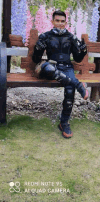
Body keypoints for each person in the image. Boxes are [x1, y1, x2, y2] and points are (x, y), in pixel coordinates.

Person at [32, 10, 89, 138]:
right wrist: (38, 48)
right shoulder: (45, 36)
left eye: (62, 21)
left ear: (66, 22)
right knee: (48, 68)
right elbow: (36, 60)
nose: (60, 24)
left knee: (70, 91)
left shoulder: (71, 37)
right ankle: (79, 85)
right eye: (57, 21)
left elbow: (78, 59)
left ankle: (64, 123)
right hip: (51, 66)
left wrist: (83, 50)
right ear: (52, 21)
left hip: (67, 67)